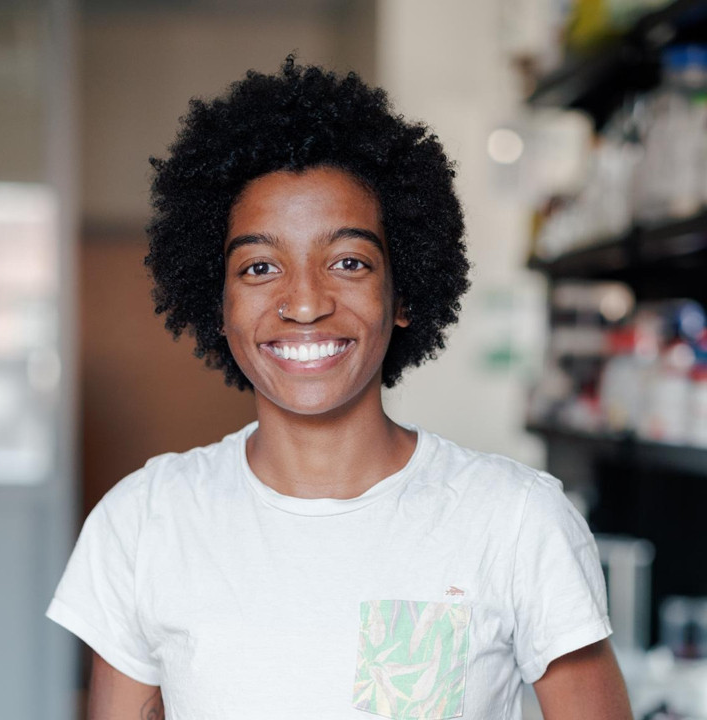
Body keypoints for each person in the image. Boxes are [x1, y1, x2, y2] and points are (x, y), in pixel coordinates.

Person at [47, 57, 633, 719]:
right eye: (260, 266)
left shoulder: (518, 521)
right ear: (219, 304)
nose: (304, 302)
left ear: (402, 290)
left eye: (349, 262)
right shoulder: (145, 523)